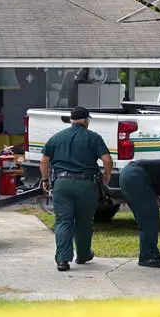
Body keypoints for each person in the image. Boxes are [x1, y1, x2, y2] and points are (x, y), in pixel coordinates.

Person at [40, 106, 113, 272]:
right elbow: (107, 160)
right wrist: (106, 176)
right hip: (86, 185)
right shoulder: (93, 137)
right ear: (87, 121)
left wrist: (45, 180)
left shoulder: (56, 138)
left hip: (61, 184)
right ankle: (83, 254)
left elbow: (44, 161)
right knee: (84, 221)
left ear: (71, 120)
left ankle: (63, 260)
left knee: (63, 221)